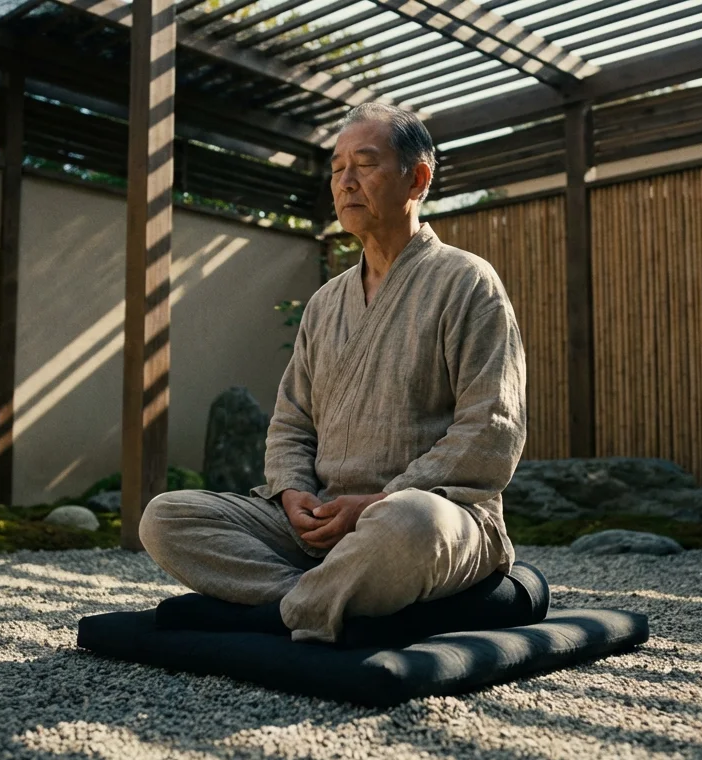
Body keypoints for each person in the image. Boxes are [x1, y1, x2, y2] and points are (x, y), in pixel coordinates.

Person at [139, 102, 527, 644]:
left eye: (364, 164)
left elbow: (492, 429)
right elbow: (291, 422)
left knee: (410, 525)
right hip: (319, 527)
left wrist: (376, 502)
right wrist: (293, 492)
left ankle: (279, 609)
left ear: (416, 178)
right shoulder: (325, 303)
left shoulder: (467, 282)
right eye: (337, 168)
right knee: (167, 516)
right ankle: (323, 600)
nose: (345, 182)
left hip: (430, 516)